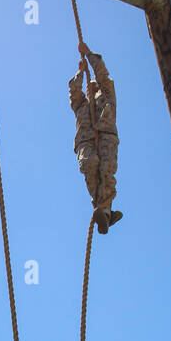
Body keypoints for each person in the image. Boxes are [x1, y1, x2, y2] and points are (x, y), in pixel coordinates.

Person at [68, 43, 122, 235]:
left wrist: (89, 54)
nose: (91, 90)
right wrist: (80, 72)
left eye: (94, 87)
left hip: (106, 135)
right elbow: (74, 90)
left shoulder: (107, 94)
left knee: (106, 169)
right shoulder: (80, 104)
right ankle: (104, 210)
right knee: (90, 164)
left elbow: (102, 73)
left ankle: (105, 211)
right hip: (85, 141)